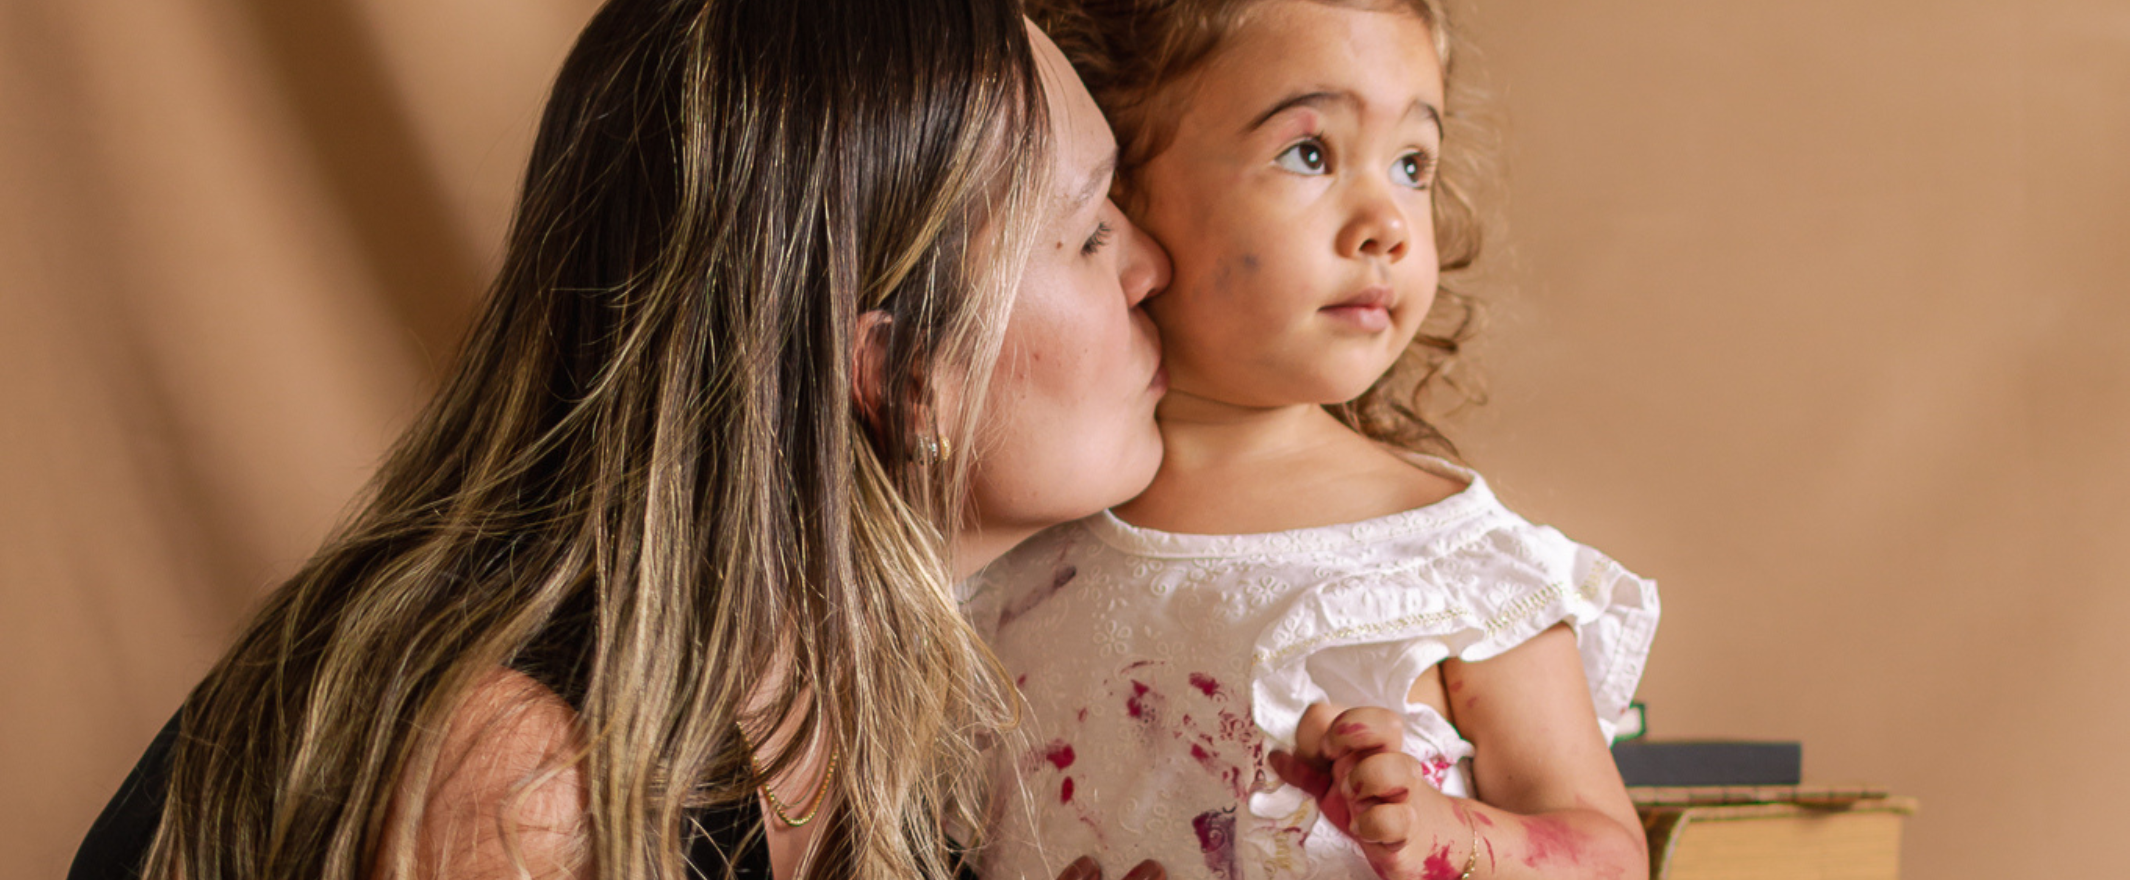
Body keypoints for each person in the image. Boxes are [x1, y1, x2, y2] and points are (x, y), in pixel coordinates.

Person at [68, 0, 1175, 878]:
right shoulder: (519, 780)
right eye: (1086, 233)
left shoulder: (871, 719)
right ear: (899, 375)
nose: (1151, 268)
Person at [961, 1, 1661, 878]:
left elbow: (1610, 856)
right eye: (1310, 152)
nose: (1387, 222)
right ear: (1120, 184)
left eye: (1413, 164)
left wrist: (1450, 837)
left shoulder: (1460, 567)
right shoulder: (1012, 542)